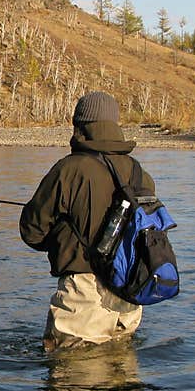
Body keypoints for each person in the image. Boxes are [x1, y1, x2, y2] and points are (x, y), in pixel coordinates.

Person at [20, 91, 157, 353]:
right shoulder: (140, 173)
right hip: (129, 297)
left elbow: (32, 232)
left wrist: (61, 238)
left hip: (84, 297)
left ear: (79, 126)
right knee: (120, 383)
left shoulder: (70, 169)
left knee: (76, 384)